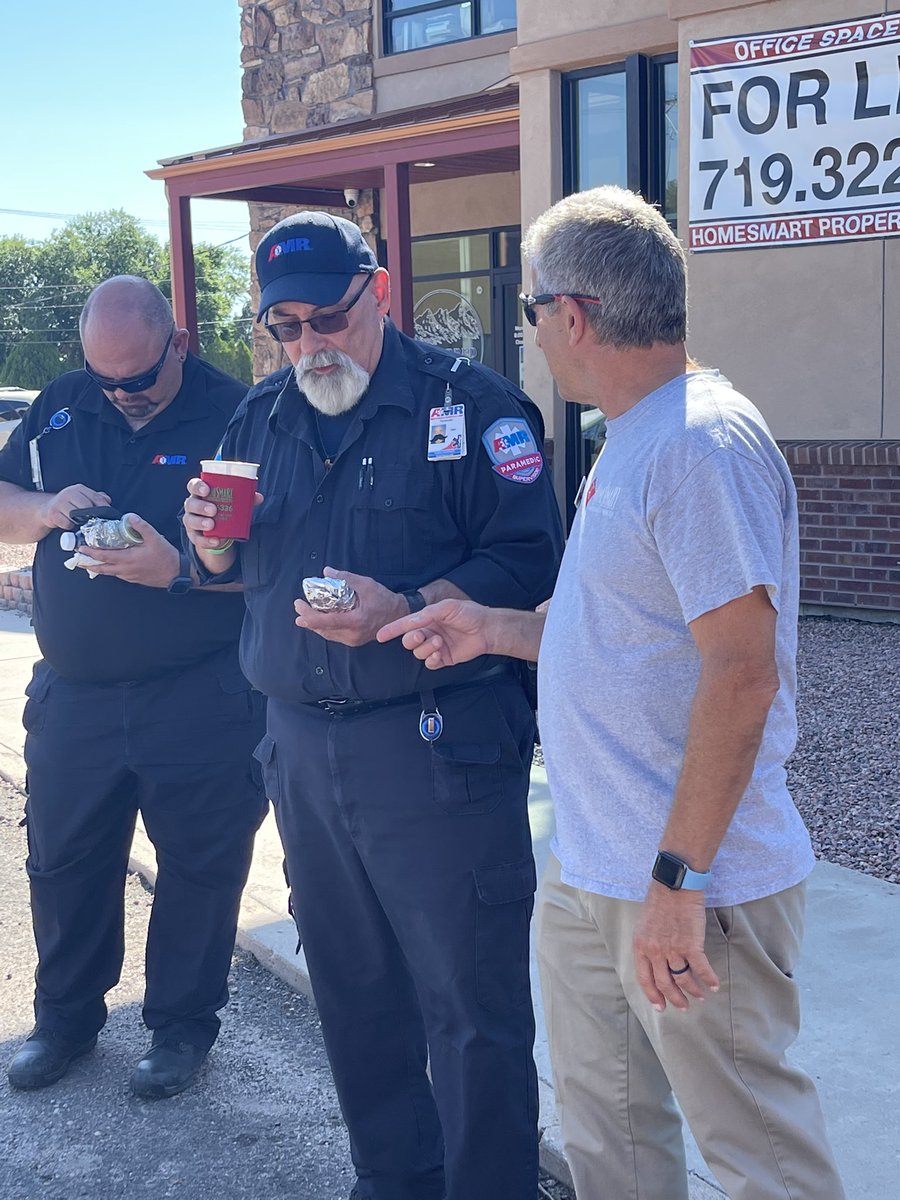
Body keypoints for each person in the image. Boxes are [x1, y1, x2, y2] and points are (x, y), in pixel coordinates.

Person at [379, 187, 846, 1200]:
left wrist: (678, 884)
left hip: (685, 888)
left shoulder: (697, 445)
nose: (531, 336)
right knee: (610, 1145)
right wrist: (495, 629)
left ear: (574, 315)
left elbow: (742, 670)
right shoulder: (634, 437)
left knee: (758, 1156)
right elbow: (628, 639)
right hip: (597, 870)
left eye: (531, 313)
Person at [182, 211, 563, 1200]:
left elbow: (530, 560)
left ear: (380, 292)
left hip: (436, 750)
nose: (309, 344)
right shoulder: (257, 420)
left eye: (327, 319)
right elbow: (227, 564)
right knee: (354, 996)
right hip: (302, 753)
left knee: (469, 1009)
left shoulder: (474, 409)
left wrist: (413, 607)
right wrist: (208, 548)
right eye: (285, 327)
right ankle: (394, 1182)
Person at [0, 277, 267, 1099]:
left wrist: (174, 573)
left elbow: (262, 562)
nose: (119, 394)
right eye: (104, 377)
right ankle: (66, 1020)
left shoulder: (236, 414)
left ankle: (181, 1031)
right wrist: (46, 508)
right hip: (75, 693)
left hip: (197, 694)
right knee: (65, 862)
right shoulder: (60, 405)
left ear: (177, 343)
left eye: (138, 378)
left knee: (199, 867)